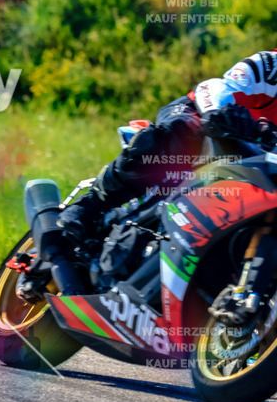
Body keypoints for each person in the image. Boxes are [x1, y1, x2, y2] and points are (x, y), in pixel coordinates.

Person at [52, 50, 277, 319]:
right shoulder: (271, 64)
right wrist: (221, 111)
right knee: (179, 136)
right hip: (208, 121)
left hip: (258, 170)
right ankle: (87, 207)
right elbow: (215, 86)